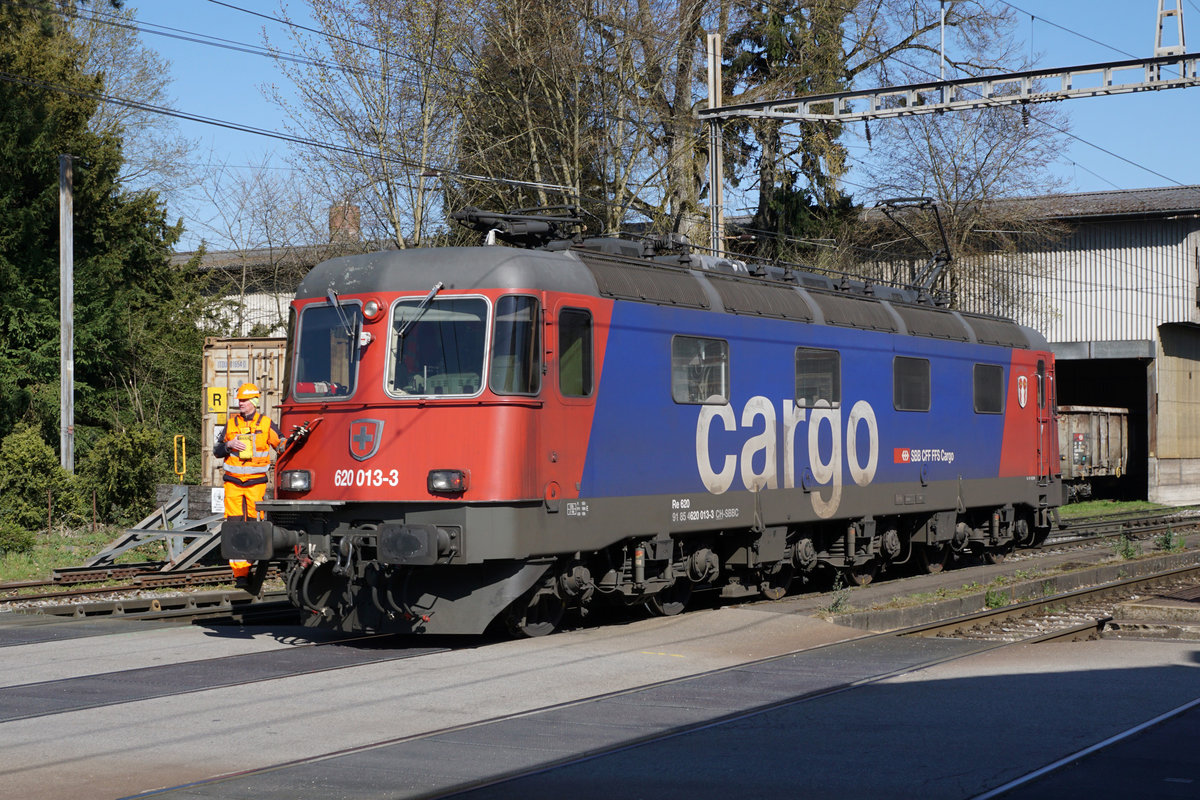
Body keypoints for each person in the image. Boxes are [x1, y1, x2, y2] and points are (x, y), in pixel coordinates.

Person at [214, 382, 283, 587]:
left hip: (256, 485)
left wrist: (293, 440)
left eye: (244, 400)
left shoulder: (266, 424)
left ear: (254, 401)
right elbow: (217, 450)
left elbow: (282, 444)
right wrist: (229, 445)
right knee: (233, 525)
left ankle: (251, 562)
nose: (240, 404)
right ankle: (240, 574)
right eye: (239, 400)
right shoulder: (231, 424)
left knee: (254, 524)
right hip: (233, 484)